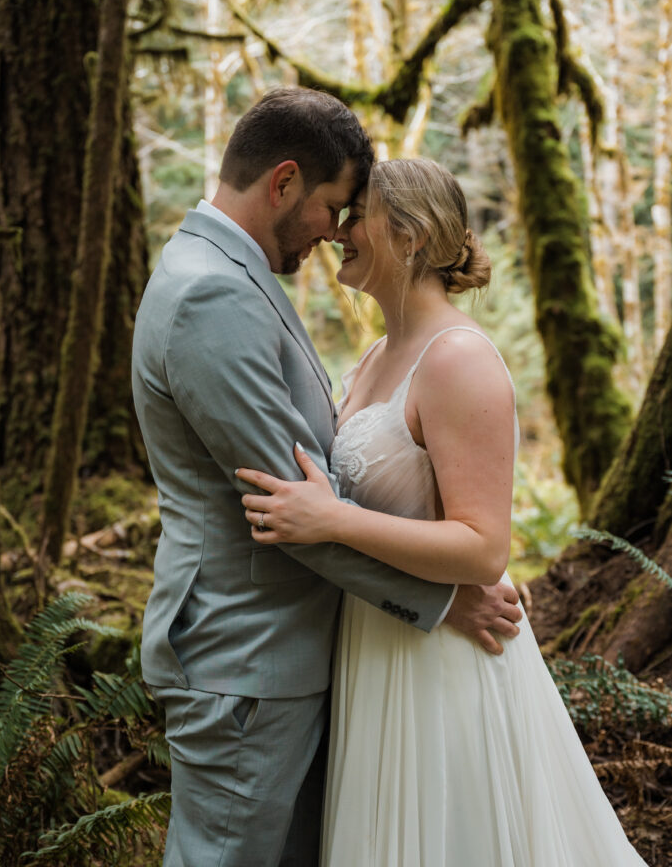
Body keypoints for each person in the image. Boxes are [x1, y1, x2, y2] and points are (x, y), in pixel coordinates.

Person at [131, 91, 523, 867]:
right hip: (247, 657)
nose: (333, 230)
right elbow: (288, 502)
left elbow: (328, 498)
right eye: (330, 207)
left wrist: (455, 567)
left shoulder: (228, 276)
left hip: (314, 655)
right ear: (282, 183)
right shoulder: (212, 292)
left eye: (353, 214)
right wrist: (443, 598)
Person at [237, 157, 648, 867]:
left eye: (355, 213)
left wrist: (331, 520)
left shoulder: (457, 359)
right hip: (379, 640)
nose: (337, 230)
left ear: (410, 235)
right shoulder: (372, 357)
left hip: (444, 668)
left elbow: (483, 548)